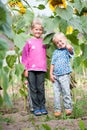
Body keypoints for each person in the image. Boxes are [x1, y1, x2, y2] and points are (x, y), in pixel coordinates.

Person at [21, 18, 48, 116]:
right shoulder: (28, 42)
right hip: (31, 69)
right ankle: (36, 107)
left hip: (41, 68)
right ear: (32, 30)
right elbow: (24, 56)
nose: (38, 31)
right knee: (33, 88)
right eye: (36, 29)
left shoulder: (44, 42)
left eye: (40, 30)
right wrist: (25, 69)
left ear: (42, 31)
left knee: (41, 88)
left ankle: (42, 106)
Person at [50, 32, 74, 117]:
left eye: (61, 41)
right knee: (56, 94)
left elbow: (71, 51)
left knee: (66, 92)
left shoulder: (67, 50)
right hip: (55, 76)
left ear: (65, 40)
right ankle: (57, 110)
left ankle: (68, 108)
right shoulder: (55, 52)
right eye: (57, 43)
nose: (59, 43)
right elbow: (52, 63)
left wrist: (68, 46)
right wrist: (51, 74)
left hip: (64, 75)